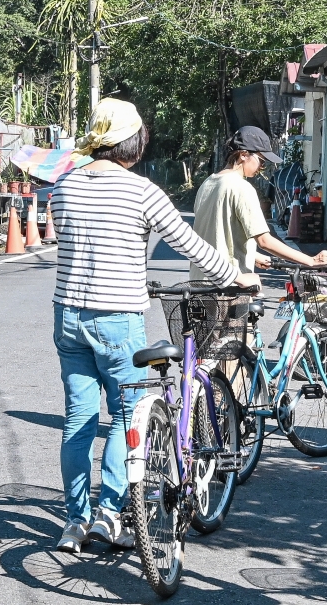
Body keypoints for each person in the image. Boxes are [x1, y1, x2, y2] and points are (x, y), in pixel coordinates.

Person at [51, 99, 251, 554]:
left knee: (78, 421)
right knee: (126, 416)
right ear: (134, 141)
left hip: (68, 316)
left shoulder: (63, 187)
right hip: (117, 318)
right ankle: (108, 515)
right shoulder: (141, 192)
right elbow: (188, 244)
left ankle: (74, 522)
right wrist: (232, 275)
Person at [191, 125, 327, 281]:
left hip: (199, 281)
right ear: (243, 155)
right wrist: (311, 260)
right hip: (229, 286)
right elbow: (264, 241)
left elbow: (218, 235)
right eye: (261, 160)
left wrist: (252, 255)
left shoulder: (208, 183)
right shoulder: (241, 187)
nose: (261, 167)